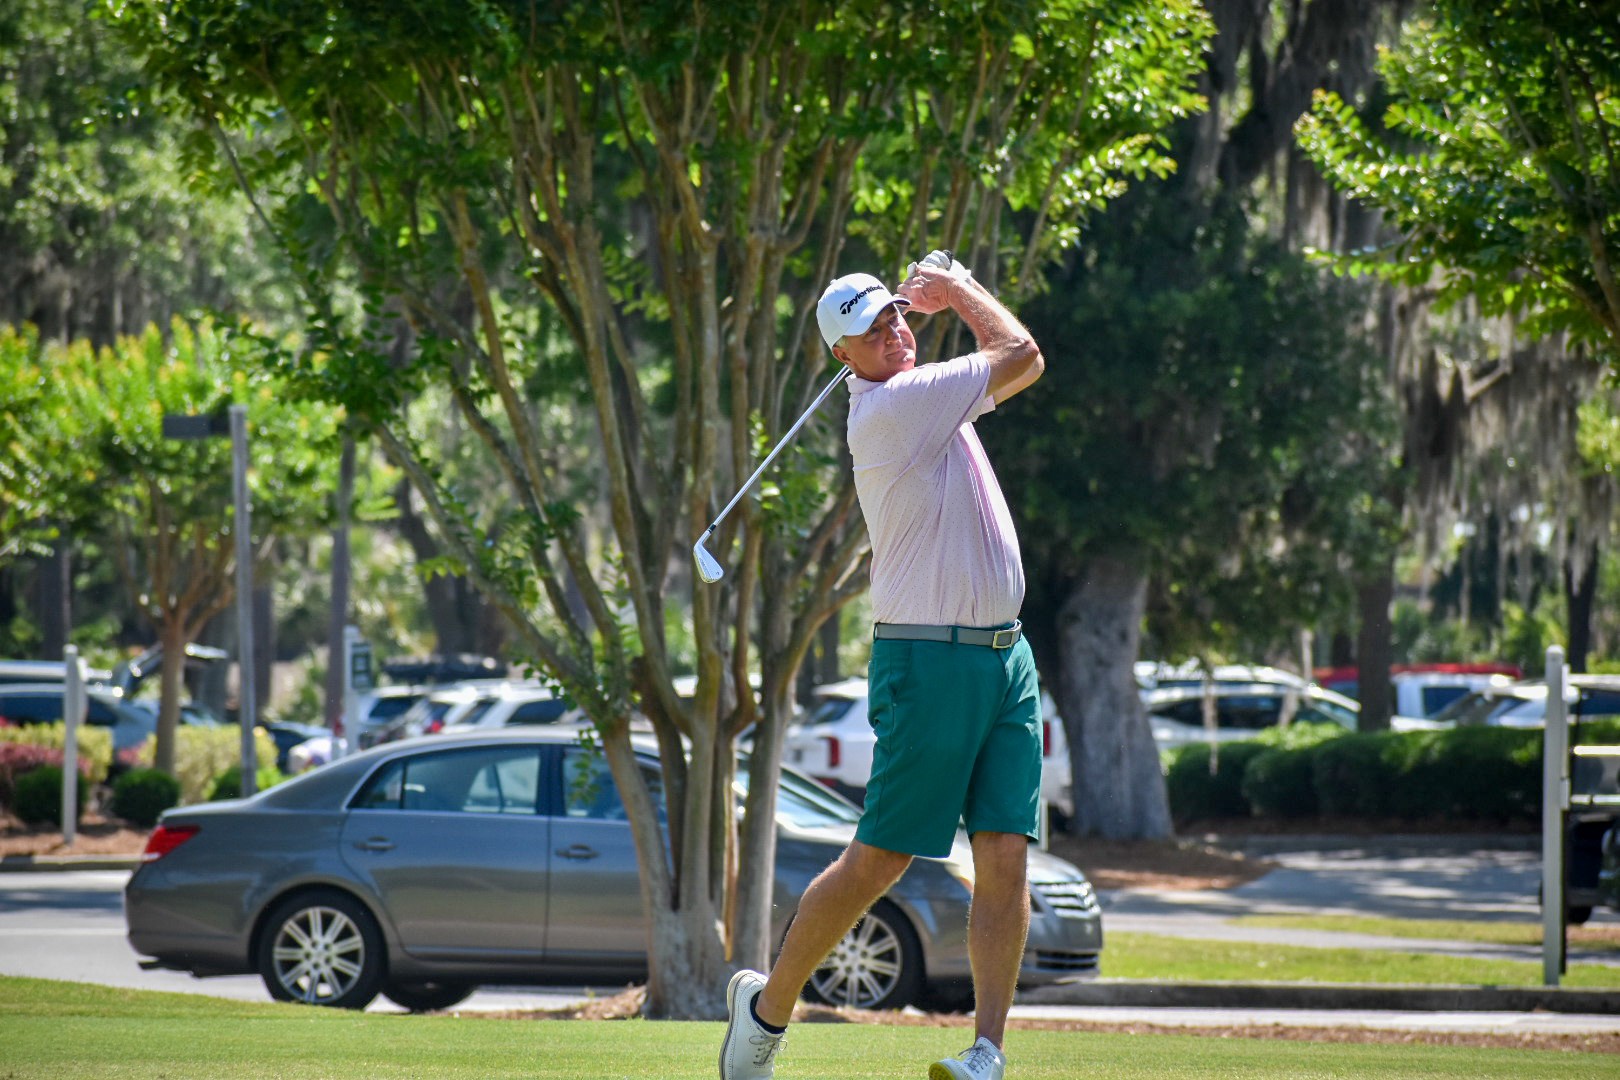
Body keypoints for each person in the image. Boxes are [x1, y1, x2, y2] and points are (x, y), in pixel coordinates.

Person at [719, 253, 1045, 1080]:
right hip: (927, 662)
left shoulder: (928, 396)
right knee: (881, 860)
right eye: (874, 328)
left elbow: (999, 367)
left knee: (1005, 854)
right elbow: (1024, 355)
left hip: (1008, 660)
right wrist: (962, 290)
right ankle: (764, 1015)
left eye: (900, 315)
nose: (896, 330)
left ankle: (987, 1053)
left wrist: (938, 307)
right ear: (844, 356)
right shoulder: (894, 408)